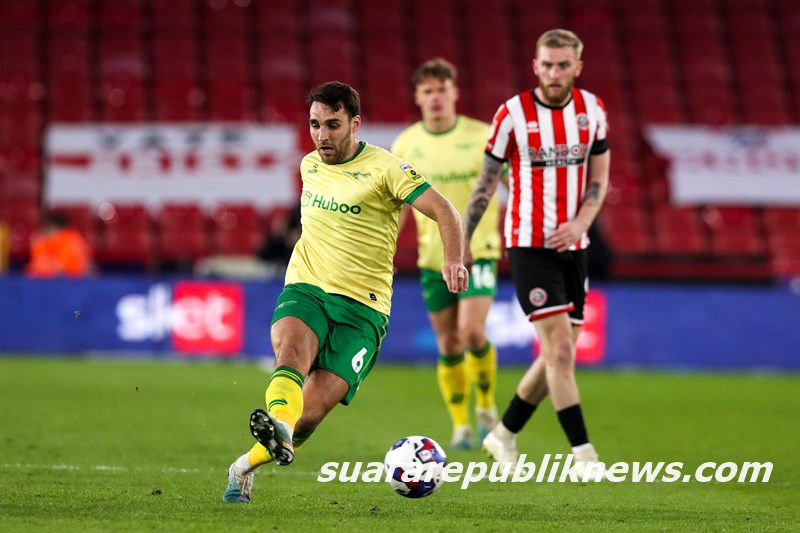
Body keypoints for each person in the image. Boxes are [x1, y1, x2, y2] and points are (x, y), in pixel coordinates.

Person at [223, 81, 470, 503]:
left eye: (333, 125)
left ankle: (245, 465)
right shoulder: (308, 166)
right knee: (290, 357)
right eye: (315, 125)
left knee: (310, 416)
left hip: (364, 309)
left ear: (355, 123)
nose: (322, 135)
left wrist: (454, 259)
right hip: (308, 287)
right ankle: (278, 422)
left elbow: (444, 209)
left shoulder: (386, 168)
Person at [462, 29, 611, 479]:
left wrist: (583, 223)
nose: (553, 73)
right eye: (546, 64)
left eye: (563, 65)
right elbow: (485, 184)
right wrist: (462, 241)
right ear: (535, 65)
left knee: (554, 356)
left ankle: (503, 434)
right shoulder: (511, 114)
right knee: (561, 350)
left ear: (577, 67)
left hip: (575, 247)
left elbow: (600, 178)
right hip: (529, 247)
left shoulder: (593, 110)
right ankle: (584, 456)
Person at [392, 58, 502, 450]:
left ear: (455, 93)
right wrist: (387, 247)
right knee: (448, 344)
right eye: (428, 91)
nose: (436, 97)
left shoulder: (483, 136)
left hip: (480, 252)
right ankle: (461, 428)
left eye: (442, 90)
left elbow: (509, 186)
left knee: (472, 332)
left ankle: (487, 409)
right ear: (417, 97)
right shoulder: (406, 144)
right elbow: (401, 204)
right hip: (433, 258)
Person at [26, 212, 93, 277]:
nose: (43, 231)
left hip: (78, 282)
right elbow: (36, 265)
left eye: (47, 228)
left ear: (57, 229)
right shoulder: (45, 241)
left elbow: (60, 267)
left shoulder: (71, 240)